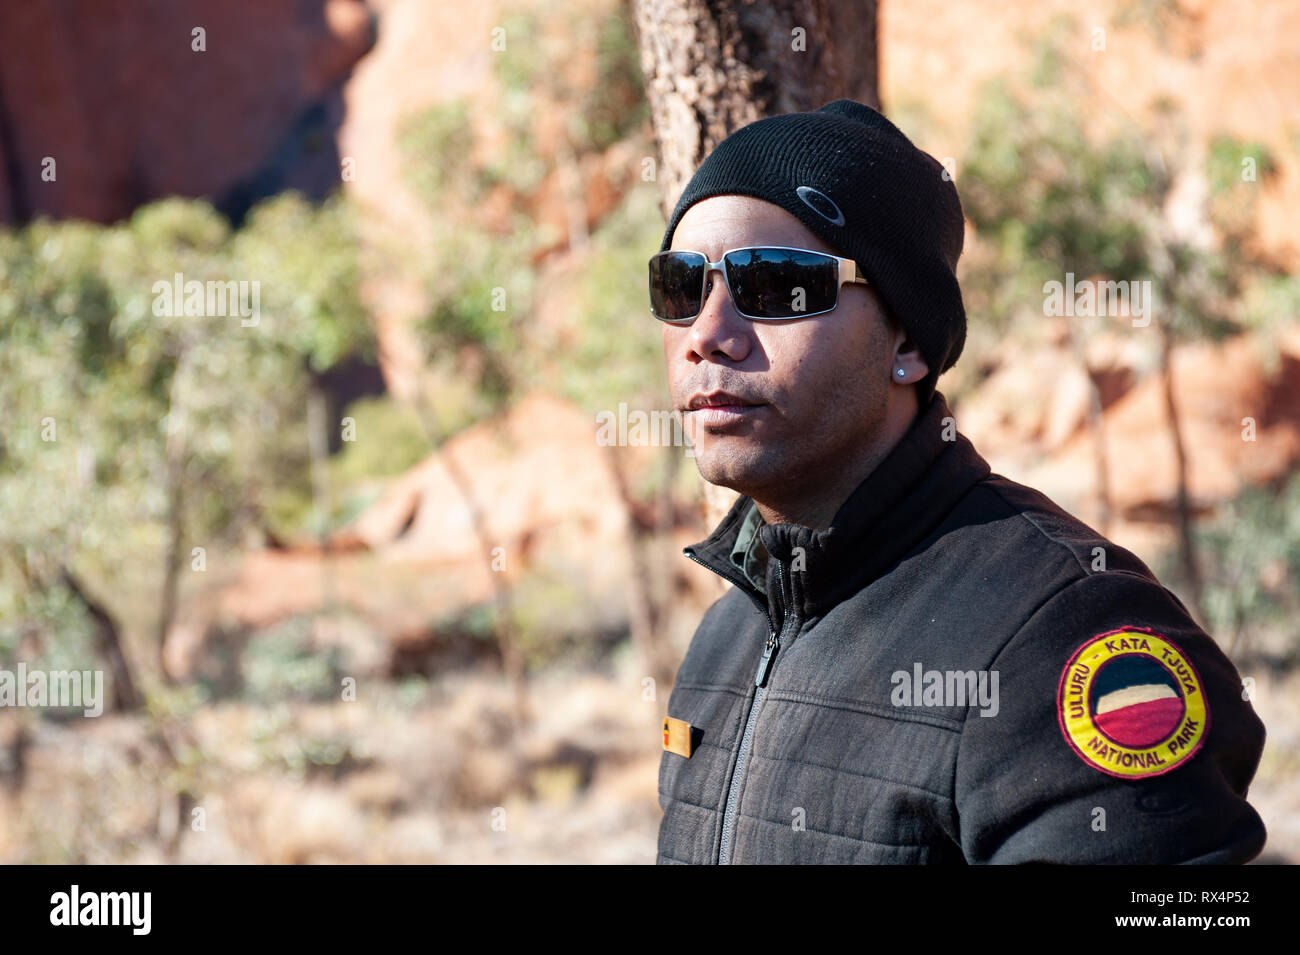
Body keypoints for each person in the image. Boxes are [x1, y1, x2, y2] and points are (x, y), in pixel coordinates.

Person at [649, 99, 1267, 864]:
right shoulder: (727, 635)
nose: (706, 334)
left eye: (775, 285)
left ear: (906, 338)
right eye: (680, 286)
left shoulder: (1070, 633)